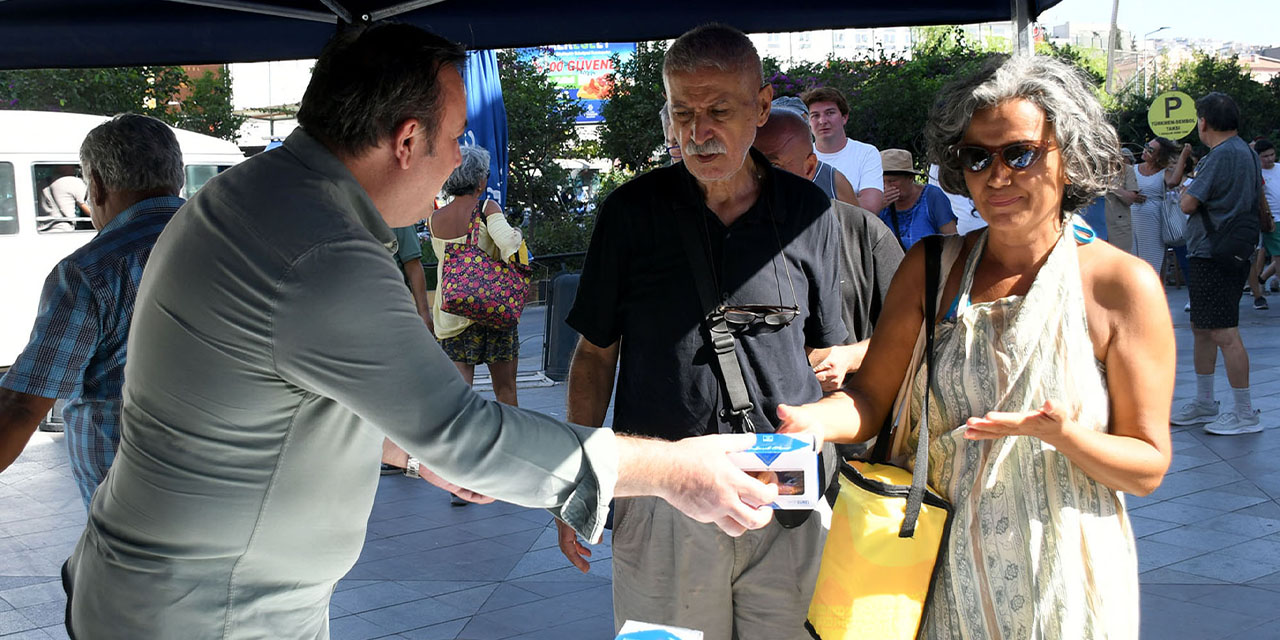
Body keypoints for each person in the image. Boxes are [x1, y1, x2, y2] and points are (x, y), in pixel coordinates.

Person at [60, 23, 780, 640]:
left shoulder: (257, 196)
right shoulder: (319, 250)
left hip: (185, 593)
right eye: (454, 138)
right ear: (407, 140)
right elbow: (466, 435)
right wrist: (680, 471)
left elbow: (265, 404)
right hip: (209, 614)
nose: (453, 162)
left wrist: (406, 455)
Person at [777, 55, 1174, 638]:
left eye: (1020, 153)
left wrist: (1063, 434)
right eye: (977, 157)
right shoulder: (930, 269)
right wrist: (806, 422)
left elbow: (1147, 466)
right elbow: (869, 402)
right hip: (930, 575)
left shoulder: (1119, 285)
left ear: (1069, 154)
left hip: (1062, 584)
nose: (998, 176)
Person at [557, 24, 847, 638]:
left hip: (784, 490)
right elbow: (593, 356)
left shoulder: (809, 213)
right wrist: (580, 482)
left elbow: (832, 348)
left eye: (719, 111)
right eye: (682, 112)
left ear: (762, 107)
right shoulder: (630, 214)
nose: (698, 132)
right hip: (665, 488)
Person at [0, 114, 184, 506]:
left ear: (96, 185)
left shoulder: (89, 271)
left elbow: (23, 405)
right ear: (179, 176)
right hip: (232, 494)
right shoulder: (237, 249)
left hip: (131, 507)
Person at [754, 103, 903, 389]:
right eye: (747, 163)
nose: (754, 177)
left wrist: (850, 357)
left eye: (771, 165)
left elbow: (916, 331)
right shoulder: (716, 235)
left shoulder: (861, 232)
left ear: (810, 167)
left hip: (846, 415)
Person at [1172, 92, 1273, 435]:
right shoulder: (1245, 150)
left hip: (1213, 252)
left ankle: (1244, 412)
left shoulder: (1219, 156)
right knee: (1204, 328)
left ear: (1203, 122)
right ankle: (1204, 402)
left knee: (1223, 332)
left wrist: (1187, 191)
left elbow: (1188, 203)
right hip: (1228, 249)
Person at [428, 144, 524, 408]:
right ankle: (510, 446)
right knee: (505, 392)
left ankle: (460, 447)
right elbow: (509, 243)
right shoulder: (486, 208)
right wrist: (517, 234)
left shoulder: (434, 219)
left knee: (459, 395)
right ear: (481, 180)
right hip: (493, 310)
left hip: (453, 313)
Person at [803, 86, 885, 212]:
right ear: (808, 121)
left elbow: (870, 208)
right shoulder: (801, 156)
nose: (822, 121)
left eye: (830, 113)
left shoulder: (866, 153)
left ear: (844, 117)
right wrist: (853, 198)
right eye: (815, 115)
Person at [768, 96, 860, 206]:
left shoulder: (832, 179)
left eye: (796, 123)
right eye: (777, 124)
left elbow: (855, 221)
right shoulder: (753, 171)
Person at [1129, 137, 1190, 275]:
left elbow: (1173, 182)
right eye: (1146, 146)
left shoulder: (1164, 173)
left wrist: (1183, 157)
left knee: (1151, 264)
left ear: (1159, 156)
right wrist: (1130, 196)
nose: (1145, 151)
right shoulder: (1133, 169)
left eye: (1151, 150)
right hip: (1132, 219)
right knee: (1132, 263)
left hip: (1153, 221)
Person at [877, 148, 957, 250]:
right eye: (882, 181)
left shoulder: (933, 197)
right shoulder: (879, 204)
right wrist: (877, 207)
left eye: (892, 181)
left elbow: (952, 240)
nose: (885, 186)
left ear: (910, 178)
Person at [1255, 139, 1280, 297]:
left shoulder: (1279, 168)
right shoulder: (1257, 174)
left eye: (1272, 155)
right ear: (1258, 157)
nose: (1270, 158)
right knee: (1278, 255)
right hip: (1273, 218)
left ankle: (1262, 278)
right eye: (1265, 156)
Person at [1105, 148, 1141, 254]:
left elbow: (1130, 199)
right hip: (1093, 226)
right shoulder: (1088, 170)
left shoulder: (1127, 170)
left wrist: (1111, 184)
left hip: (1117, 229)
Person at [38, 164, 90, 231]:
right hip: (65, 230)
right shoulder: (74, 182)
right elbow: (89, 211)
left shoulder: (41, 183)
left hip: (43, 231)